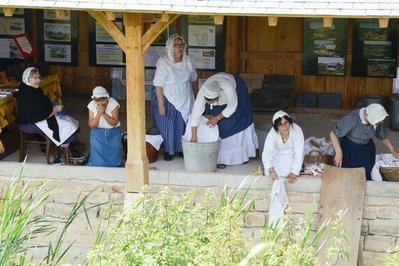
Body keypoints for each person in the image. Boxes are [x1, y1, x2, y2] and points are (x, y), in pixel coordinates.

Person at [189, 72, 258, 168]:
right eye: (207, 101)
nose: (209, 103)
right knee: (219, 127)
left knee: (232, 122)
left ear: (217, 96)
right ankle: (221, 158)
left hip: (237, 89)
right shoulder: (203, 92)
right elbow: (195, 114)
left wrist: (217, 118)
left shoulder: (228, 89)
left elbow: (232, 108)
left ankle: (240, 156)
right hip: (221, 94)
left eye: (211, 101)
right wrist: (194, 136)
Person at [151, 34, 197, 161]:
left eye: (181, 45)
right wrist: (161, 104)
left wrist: (196, 96)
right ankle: (169, 150)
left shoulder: (188, 61)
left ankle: (182, 149)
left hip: (185, 96)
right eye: (176, 45)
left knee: (183, 123)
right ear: (170, 47)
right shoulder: (163, 62)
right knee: (169, 125)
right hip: (168, 97)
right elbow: (158, 85)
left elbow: (194, 79)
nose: (180, 48)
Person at [330, 103, 399, 180]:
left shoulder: (375, 118)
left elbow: (383, 136)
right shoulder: (353, 119)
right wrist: (339, 152)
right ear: (366, 114)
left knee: (366, 173)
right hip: (350, 148)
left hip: (367, 148)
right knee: (349, 174)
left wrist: (393, 150)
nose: (378, 123)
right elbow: (333, 134)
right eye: (377, 122)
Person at [15, 67, 79, 147]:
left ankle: (71, 147)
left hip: (41, 116)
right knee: (69, 125)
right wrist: (55, 110)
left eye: (39, 77)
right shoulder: (28, 94)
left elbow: (43, 103)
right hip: (31, 122)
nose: (38, 80)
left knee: (70, 120)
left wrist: (54, 105)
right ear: (27, 79)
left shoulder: (33, 88)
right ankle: (68, 150)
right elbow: (37, 115)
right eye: (35, 78)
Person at [262, 111, 304, 183]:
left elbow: (299, 152)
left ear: (290, 121)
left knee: (289, 174)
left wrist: (294, 172)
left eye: (286, 123)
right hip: (276, 156)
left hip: (291, 156)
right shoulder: (272, 133)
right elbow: (266, 153)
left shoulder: (297, 130)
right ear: (277, 126)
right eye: (281, 125)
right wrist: (270, 170)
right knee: (271, 174)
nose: (284, 127)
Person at [86, 86, 122, 167]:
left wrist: (103, 113)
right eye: (97, 100)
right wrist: (99, 113)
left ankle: (115, 165)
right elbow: (92, 124)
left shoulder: (113, 103)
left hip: (113, 133)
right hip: (97, 133)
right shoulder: (91, 105)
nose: (100, 103)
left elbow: (114, 123)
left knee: (114, 152)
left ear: (107, 97)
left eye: (103, 100)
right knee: (98, 157)